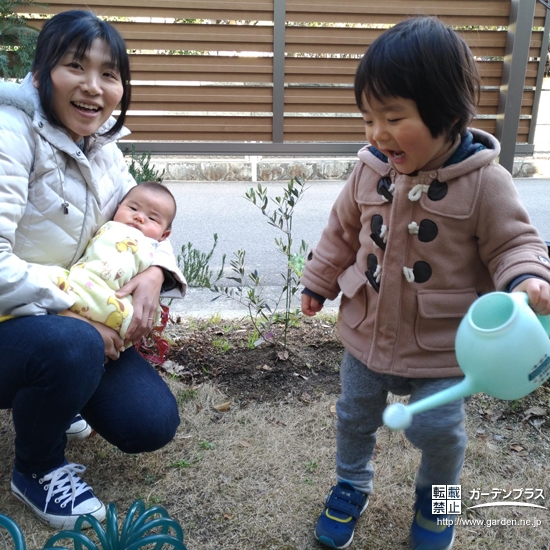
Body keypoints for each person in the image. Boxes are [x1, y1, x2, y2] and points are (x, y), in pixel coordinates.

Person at [300, 17, 550, 550]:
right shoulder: (369, 171)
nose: (376, 134)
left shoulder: (486, 182)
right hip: (366, 331)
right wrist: (318, 282)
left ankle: (440, 503)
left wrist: (528, 279)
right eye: (368, 118)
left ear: (449, 116)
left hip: (444, 347)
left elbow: (515, 245)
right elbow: (341, 231)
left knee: (440, 433)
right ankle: (350, 485)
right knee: (353, 416)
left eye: (393, 117)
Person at [0, 10, 185, 530]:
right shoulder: (10, 135)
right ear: (40, 75)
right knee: (73, 346)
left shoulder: (103, 146)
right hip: (17, 320)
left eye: (109, 74)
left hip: (71, 319)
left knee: (150, 423)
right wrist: (77, 316)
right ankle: (37, 469)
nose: (92, 87)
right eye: (75, 67)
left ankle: (61, 388)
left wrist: (154, 275)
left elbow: (146, 217)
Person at [46, 181, 184, 341]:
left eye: (152, 218)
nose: (139, 217)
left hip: (114, 299)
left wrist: (158, 270)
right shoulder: (110, 226)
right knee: (45, 276)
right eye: (133, 209)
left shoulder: (153, 246)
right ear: (117, 207)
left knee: (127, 318)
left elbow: (163, 255)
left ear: (164, 236)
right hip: (80, 282)